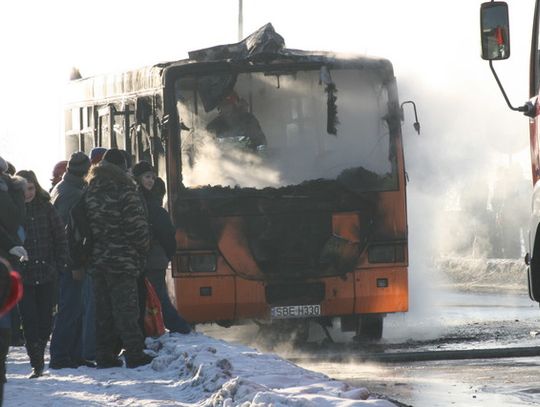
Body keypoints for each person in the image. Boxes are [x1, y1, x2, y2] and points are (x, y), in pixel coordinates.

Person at [85, 149, 152, 368]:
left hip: (98, 259)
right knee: (126, 309)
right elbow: (136, 227)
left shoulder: (91, 189)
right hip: (123, 259)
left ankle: (105, 355)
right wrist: (142, 249)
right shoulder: (125, 189)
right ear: (123, 167)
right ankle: (134, 353)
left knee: (103, 311)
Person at [16, 170, 68, 379]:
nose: (27, 193)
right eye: (22, 189)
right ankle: (36, 362)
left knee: (45, 320)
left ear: (35, 187)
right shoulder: (13, 211)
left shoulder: (47, 208)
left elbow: (60, 236)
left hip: (47, 272)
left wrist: (59, 263)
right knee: (28, 319)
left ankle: (40, 349)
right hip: (23, 274)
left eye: (30, 188)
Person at [132, 161, 191, 335]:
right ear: (138, 178)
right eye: (146, 177)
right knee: (159, 296)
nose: (150, 181)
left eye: (152, 177)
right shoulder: (147, 203)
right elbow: (166, 233)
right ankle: (180, 328)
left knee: (154, 295)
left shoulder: (141, 199)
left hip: (149, 258)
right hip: (152, 258)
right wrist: (169, 252)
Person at [49, 152, 96, 369]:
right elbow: (71, 234)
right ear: (86, 171)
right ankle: (60, 356)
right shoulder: (74, 194)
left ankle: (73, 354)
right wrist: (75, 263)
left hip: (63, 258)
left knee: (73, 307)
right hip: (70, 260)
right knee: (71, 307)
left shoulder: (61, 188)